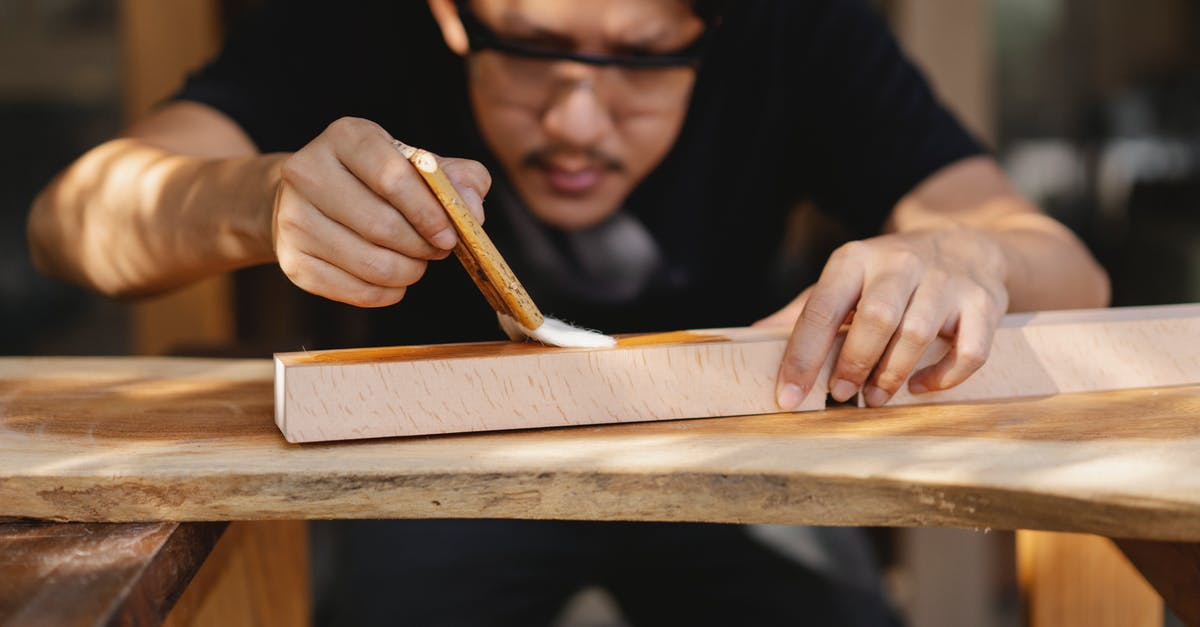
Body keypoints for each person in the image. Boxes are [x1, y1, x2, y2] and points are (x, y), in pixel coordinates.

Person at [28, 0, 1109, 624]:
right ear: (450, 14)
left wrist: (962, 254)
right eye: (532, 49)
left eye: (645, 60)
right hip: (430, 470)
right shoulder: (357, 20)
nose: (579, 120)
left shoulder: (799, 27)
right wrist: (253, 197)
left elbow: (1069, 270)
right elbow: (66, 221)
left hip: (738, 440)